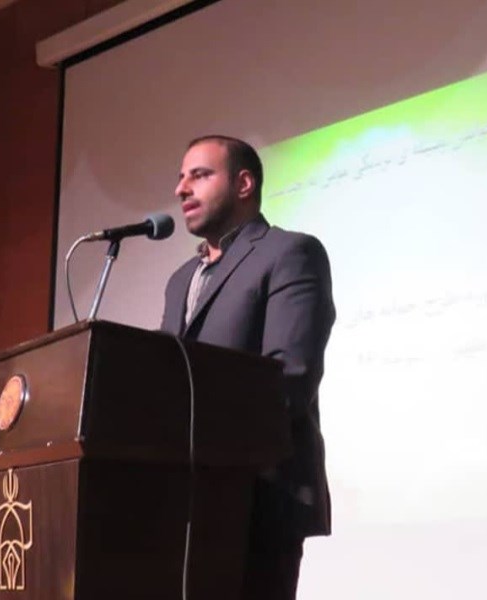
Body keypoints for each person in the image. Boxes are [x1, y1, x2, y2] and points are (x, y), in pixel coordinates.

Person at [160, 135, 336, 599]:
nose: (181, 188)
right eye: (181, 177)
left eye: (199, 175)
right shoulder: (181, 280)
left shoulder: (290, 253)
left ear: (243, 184)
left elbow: (288, 380)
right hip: (184, 506)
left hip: (258, 498)